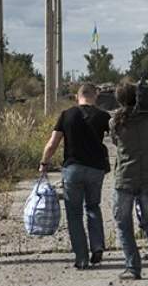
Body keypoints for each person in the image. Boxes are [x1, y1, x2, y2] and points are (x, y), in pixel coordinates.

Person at [39, 83, 111, 269]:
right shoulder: (103, 116)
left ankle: (81, 258)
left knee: (74, 213)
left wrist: (44, 163)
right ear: (95, 96)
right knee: (93, 207)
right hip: (96, 170)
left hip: (73, 170)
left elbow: (52, 144)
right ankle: (97, 246)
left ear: (77, 97)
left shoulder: (66, 115)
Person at [109, 81, 148, 282]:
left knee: (124, 224)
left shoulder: (116, 121)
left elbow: (116, 142)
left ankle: (132, 267)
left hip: (125, 177)